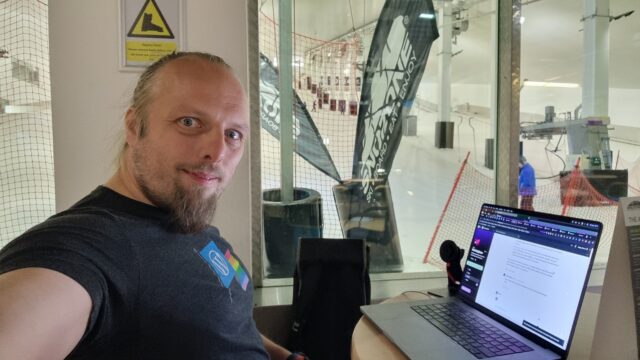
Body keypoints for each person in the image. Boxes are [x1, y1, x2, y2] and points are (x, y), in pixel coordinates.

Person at [0, 52, 303, 360]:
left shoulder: (188, 219)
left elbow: (228, 319)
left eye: (233, 134)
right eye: (190, 122)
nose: (217, 151)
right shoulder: (94, 244)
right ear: (134, 126)